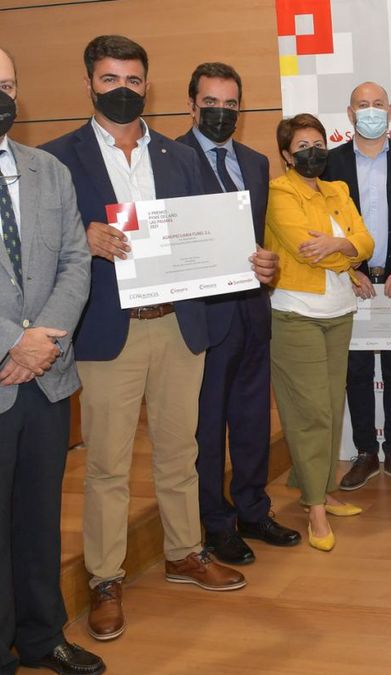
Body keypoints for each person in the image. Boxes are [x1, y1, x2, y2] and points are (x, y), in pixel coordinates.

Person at [41, 34, 255, 642]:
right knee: (107, 465)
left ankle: (184, 553)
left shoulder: (179, 157)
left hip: (178, 326)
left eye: (133, 80)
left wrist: (248, 262)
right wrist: (81, 236)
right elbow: (40, 244)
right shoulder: (56, 160)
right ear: (89, 84)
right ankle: (105, 578)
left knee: (180, 451)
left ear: (147, 85)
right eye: (110, 79)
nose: (123, 90)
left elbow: (207, 238)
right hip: (109, 332)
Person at [0, 39, 105, 674]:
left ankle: (42, 636)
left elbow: (75, 260)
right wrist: (12, 342)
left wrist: (43, 342)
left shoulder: (48, 170)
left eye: (6, 87)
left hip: (45, 380)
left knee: (39, 521)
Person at [177, 62, 301, 566]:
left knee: (252, 420)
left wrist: (268, 264)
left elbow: (256, 237)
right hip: (204, 317)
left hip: (252, 310)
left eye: (231, 105)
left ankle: (253, 510)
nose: (221, 113)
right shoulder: (169, 158)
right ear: (191, 105)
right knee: (207, 428)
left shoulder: (254, 162)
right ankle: (214, 523)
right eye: (211, 103)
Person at [266, 113, 373, 552]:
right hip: (296, 313)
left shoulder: (337, 190)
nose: (313, 152)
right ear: (287, 155)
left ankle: (322, 490)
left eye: (318, 144)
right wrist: (346, 251)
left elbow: (366, 242)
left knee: (329, 407)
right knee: (309, 413)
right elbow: (305, 251)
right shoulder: (278, 193)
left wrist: (342, 246)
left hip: (339, 310)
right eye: (303, 147)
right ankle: (313, 507)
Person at [322, 81, 391, 492]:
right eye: (362, 105)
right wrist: (349, 270)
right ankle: (365, 452)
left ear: (390, 111)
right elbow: (323, 226)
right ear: (350, 114)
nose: (371, 111)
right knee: (357, 371)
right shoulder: (330, 163)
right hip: (353, 282)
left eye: (378, 104)